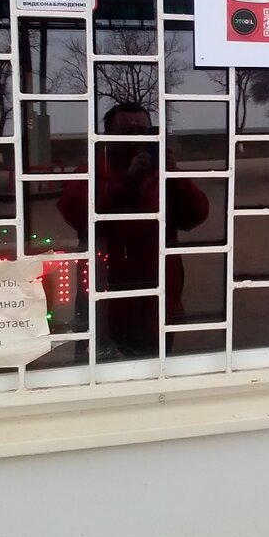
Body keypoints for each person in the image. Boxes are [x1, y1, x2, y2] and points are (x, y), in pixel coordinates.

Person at [58, 102, 209, 358]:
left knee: (156, 367)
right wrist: (127, 181)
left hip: (157, 299)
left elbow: (196, 215)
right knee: (96, 370)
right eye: (128, 131)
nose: (137, 138)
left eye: (144, 131)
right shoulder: (91, 172)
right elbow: (78, 213)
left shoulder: (162, 175)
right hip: (105, 298)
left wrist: (174, 175)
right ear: (108, 136)